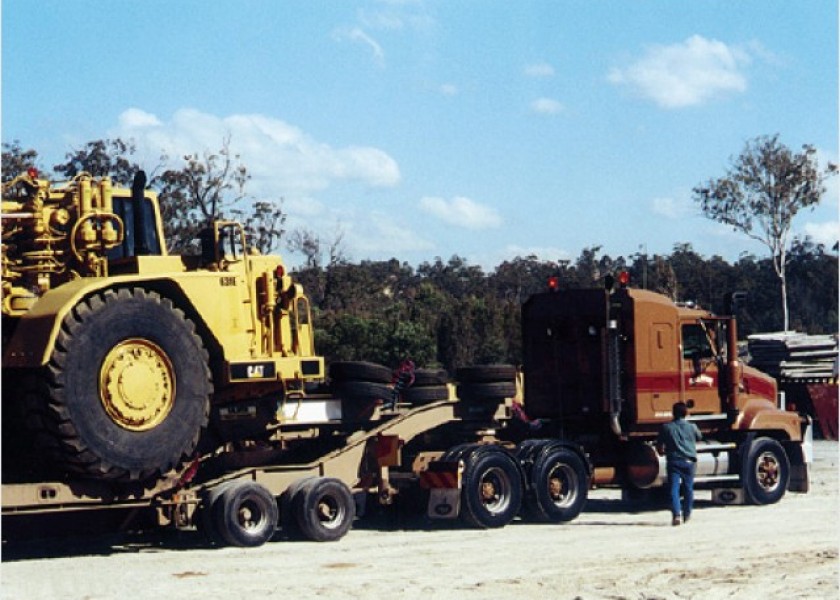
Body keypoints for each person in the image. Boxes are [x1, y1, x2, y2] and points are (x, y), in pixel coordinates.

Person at [656, 401, 702, 526]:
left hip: (674, 461)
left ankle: (676, 514)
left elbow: (659, 445)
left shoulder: (666, 427)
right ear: (686, 413)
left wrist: (661, 452)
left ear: (673, 413)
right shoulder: (692, 427)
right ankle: (687, 513)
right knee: (688, 488)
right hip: (689, 461)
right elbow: (699, 437)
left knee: (674, 489)